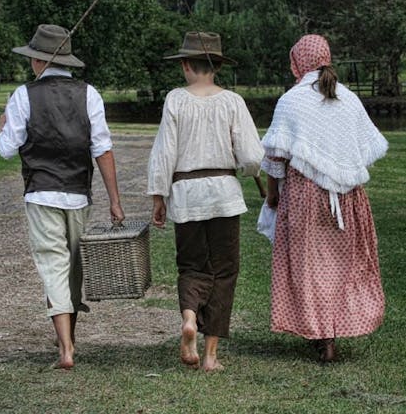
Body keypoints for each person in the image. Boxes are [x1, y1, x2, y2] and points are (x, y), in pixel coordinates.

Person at [0, 24, 125, 369]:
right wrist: (114, 200)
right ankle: (69, 339)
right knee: (73, 268)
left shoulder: (23, 95)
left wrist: (2, 127)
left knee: (52, 265)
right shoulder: (90, 94)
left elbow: (7, 150)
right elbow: (103, 149)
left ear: (39, 60)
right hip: (78, 194)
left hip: (41, 193)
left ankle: (65, 348)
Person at [261, 34, 388, 362]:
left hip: (304, 196)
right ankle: (334, 331)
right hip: (348, 199)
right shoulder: (348, 98)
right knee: (343, 267)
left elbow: (276, 159)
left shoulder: (290, 101)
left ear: (298, 61)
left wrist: (273, 197)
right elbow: (364, 149)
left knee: (310, 267)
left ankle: (322, 335)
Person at [147, 31, 264, 372]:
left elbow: (164, 153)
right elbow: (252, 157)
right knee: (224, 271)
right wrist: (243, 169)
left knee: (192, 265)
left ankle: (188, 319)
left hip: (186, 194)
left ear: (185, 65)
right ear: (217, 67)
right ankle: (211, 355)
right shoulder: (232, 102)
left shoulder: (175, 100)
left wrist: (159, 195)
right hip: (224, 195)